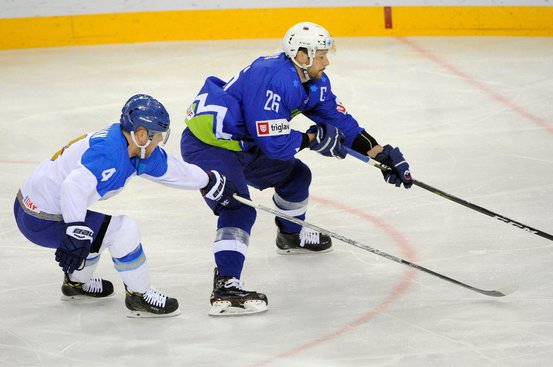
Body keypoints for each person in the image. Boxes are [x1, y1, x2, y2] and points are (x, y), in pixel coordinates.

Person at [180, 21, 413, 316]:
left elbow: (341, 123)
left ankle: (290, 235)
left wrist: (381, 154)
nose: (326, 61)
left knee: (296, 176)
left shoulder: (314, 81)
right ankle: (226, 286)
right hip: (209, 145)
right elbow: (274, 143)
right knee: (238, 207)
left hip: (245, 143)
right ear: (301, 55)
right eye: (321, 55)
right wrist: (311, 139)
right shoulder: (271, 77)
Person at [13, 94, 236, 318]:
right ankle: (139, 296)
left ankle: (75, 283)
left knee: (93, 231)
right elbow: (73, 187)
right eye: (157, 135)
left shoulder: (132, 146)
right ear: (141, 134)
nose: (159, 140)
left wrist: (209, 180)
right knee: (123, 230)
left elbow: (173, 169)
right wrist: (75, 228)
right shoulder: (109, 153)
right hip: (40, 218)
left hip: (28, 203)